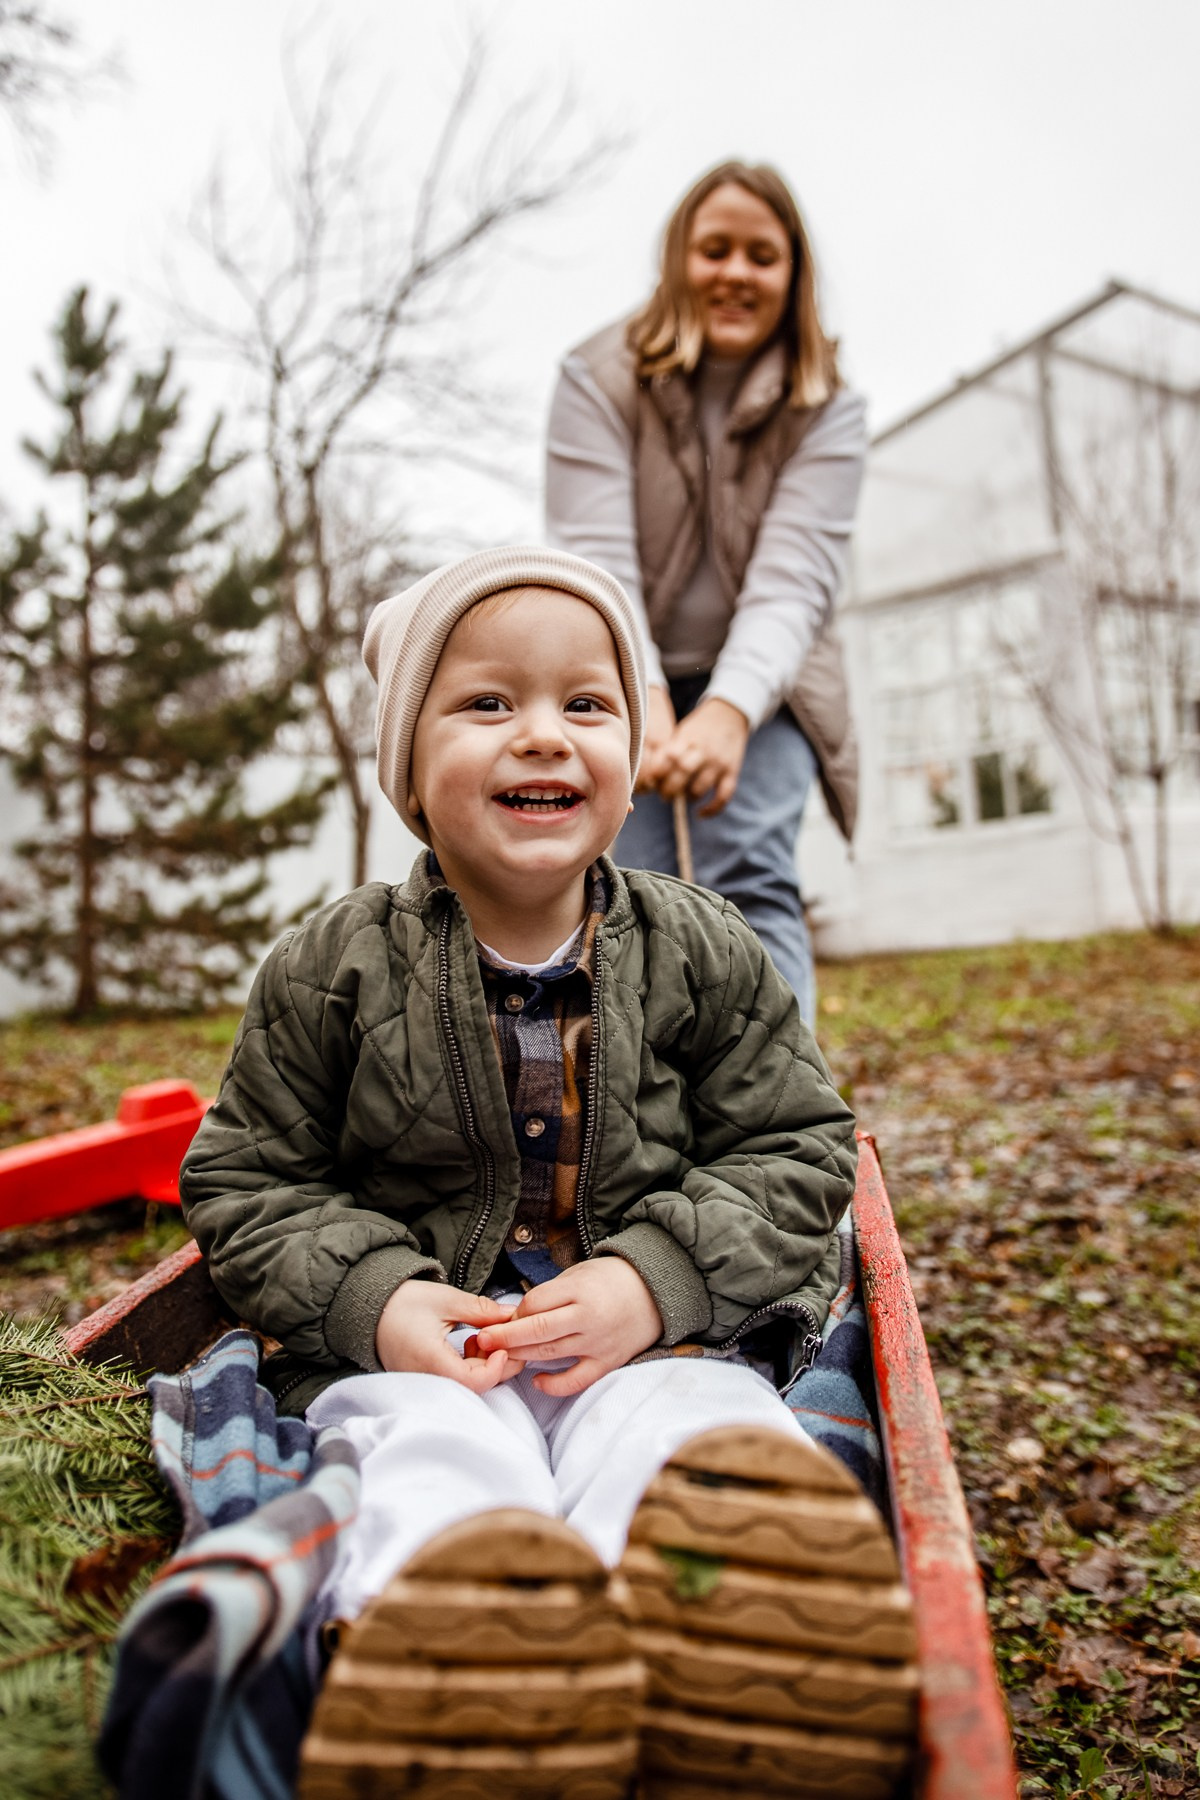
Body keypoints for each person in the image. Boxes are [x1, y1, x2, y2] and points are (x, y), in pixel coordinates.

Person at [179, 546, 878, 1796]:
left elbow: (798, 1145)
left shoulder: (701, 948)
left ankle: (707, 1651)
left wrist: (657, 1281)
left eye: (587, 704)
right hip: (432, 1358)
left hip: (656, 1343)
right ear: (410, 764)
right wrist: (378, 1303)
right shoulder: (329, 967)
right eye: (489, 703)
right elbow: (247, 1181)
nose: (544, 736)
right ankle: (462, 1676)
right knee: (423, 1456)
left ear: (627, 755)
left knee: (696, 1435)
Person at [545, 161, 866, 1024]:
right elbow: (597, 558)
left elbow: (793, 580)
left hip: (769, 681)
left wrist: (728, 712)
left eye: (762, 255)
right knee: (626, 895)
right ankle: (638, 1122)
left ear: (793, 274)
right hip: (620, 672)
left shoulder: (827, 403)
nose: (735, 272)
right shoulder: (595, 378)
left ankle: (780, 1118)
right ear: (677, 259)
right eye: (714, 249)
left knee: (747, 874)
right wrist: (642, 706)